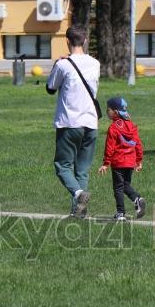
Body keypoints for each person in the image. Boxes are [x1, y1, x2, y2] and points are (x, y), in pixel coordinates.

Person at [46, 26, 101, 218]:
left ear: (67, 41)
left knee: (62, 166)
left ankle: (78, 194)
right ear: (85, 41)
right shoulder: (95, 63)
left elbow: (51, 88)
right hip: (91, 123)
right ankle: (79, 212)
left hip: (69, 122)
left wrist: (56, 63)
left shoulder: (63, 65)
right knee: (82, 170)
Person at [98, 96, 146, 222]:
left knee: (118, 187)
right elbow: (138, 144)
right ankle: (137, 200)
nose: (107, 112)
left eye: (108, 110)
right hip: (130, 162)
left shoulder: (113, 128)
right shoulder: (132, 126)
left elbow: (110, 147)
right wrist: (139, 161)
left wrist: (105, 163)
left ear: (116, 112)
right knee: (125, 185)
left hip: (118, 162)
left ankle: (121, 213)